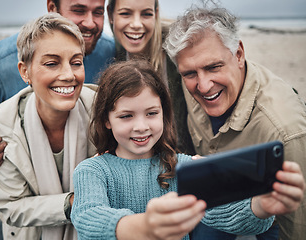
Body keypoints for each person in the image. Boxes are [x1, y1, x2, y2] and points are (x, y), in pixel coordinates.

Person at [70, 60, 305, 240]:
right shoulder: (92, 170)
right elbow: (88, 217)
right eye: (126, 116)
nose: (141, 127)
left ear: (164, 113)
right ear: (106, 120)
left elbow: (225, 212)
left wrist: (261, 206)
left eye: (152, 113)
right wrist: (146, 226)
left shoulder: (183, 167)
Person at [163, 6, 306, 240]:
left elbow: (297, 228)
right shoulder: (189, 77)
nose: (204, 85)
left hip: (270, 215)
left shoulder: (285, 130)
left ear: (239, 54)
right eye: (189, 73)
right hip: (213, 198)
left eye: (213, 67)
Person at [0, 0, 114, 169]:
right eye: (78, 11)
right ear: (52, 8)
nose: (90, 23)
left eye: (98, 12)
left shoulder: (109, 52)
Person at [0, 13, 96, 239]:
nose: (68, 75)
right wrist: (71, 203)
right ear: (25, 71)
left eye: (76, 62)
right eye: (52, 63)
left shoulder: (100, 109)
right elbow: (11, 207)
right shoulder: (3, 124)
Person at [106, 0, 195, 154]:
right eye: (126, 13)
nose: (136, 24)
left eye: (146, 14)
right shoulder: (113, 55)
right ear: (110, 15)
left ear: (156, 14)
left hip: (184, 160)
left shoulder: (178, 49)